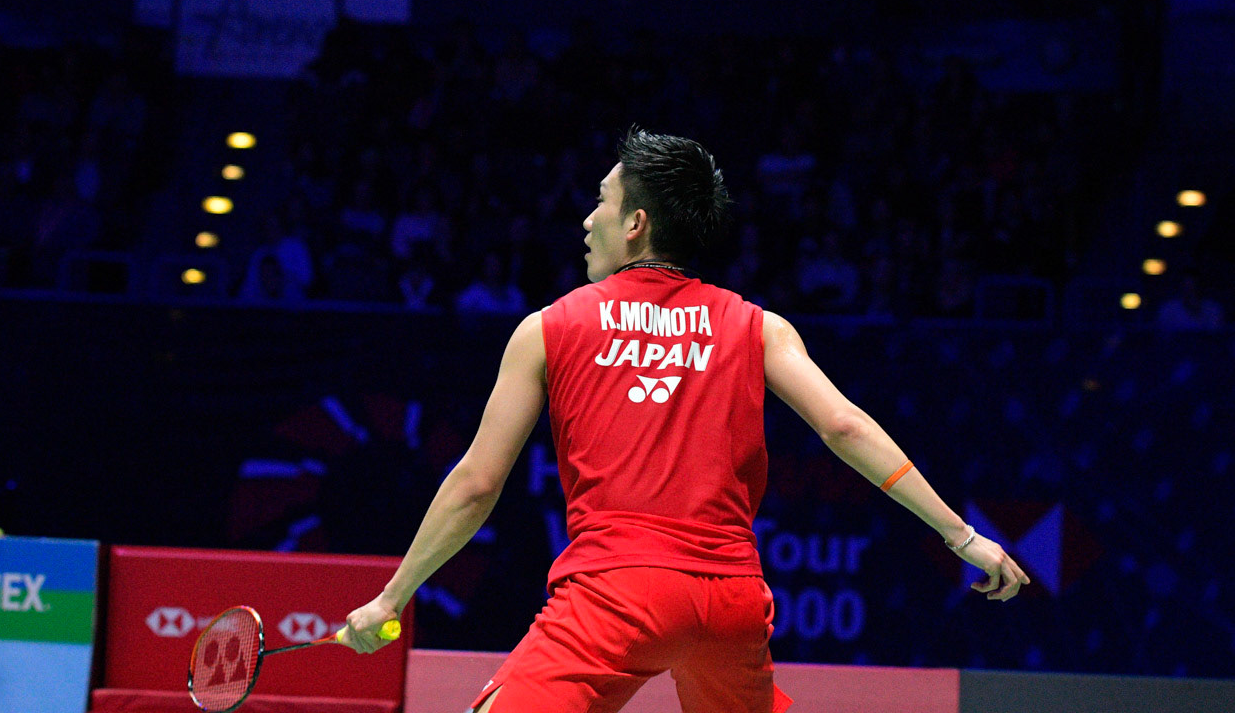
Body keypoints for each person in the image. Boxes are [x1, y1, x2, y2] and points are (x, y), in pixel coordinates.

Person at [342, 130, 1029, 712]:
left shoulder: (549, 329)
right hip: (732, 603)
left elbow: (476, 484)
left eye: (603, 202)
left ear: (636, 222)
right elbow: (845, 427)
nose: (587, 219)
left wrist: (391, 598)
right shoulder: (757, 327)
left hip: (616, 594)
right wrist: (961, 535)